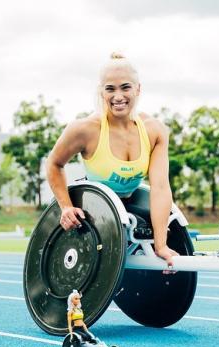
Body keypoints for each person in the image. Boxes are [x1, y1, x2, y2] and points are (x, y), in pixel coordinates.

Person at [46, 52, 178, 271]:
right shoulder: (84, 129)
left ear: (138, 89)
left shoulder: (155, 130)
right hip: (93, 212)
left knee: (170, 237)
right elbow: (54, 164)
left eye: (125, 87)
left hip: (131, 204)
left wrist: (160, 244)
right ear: (101, 92)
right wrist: (66, 207)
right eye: (110, 89)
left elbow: (161, 188)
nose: (118, 96)